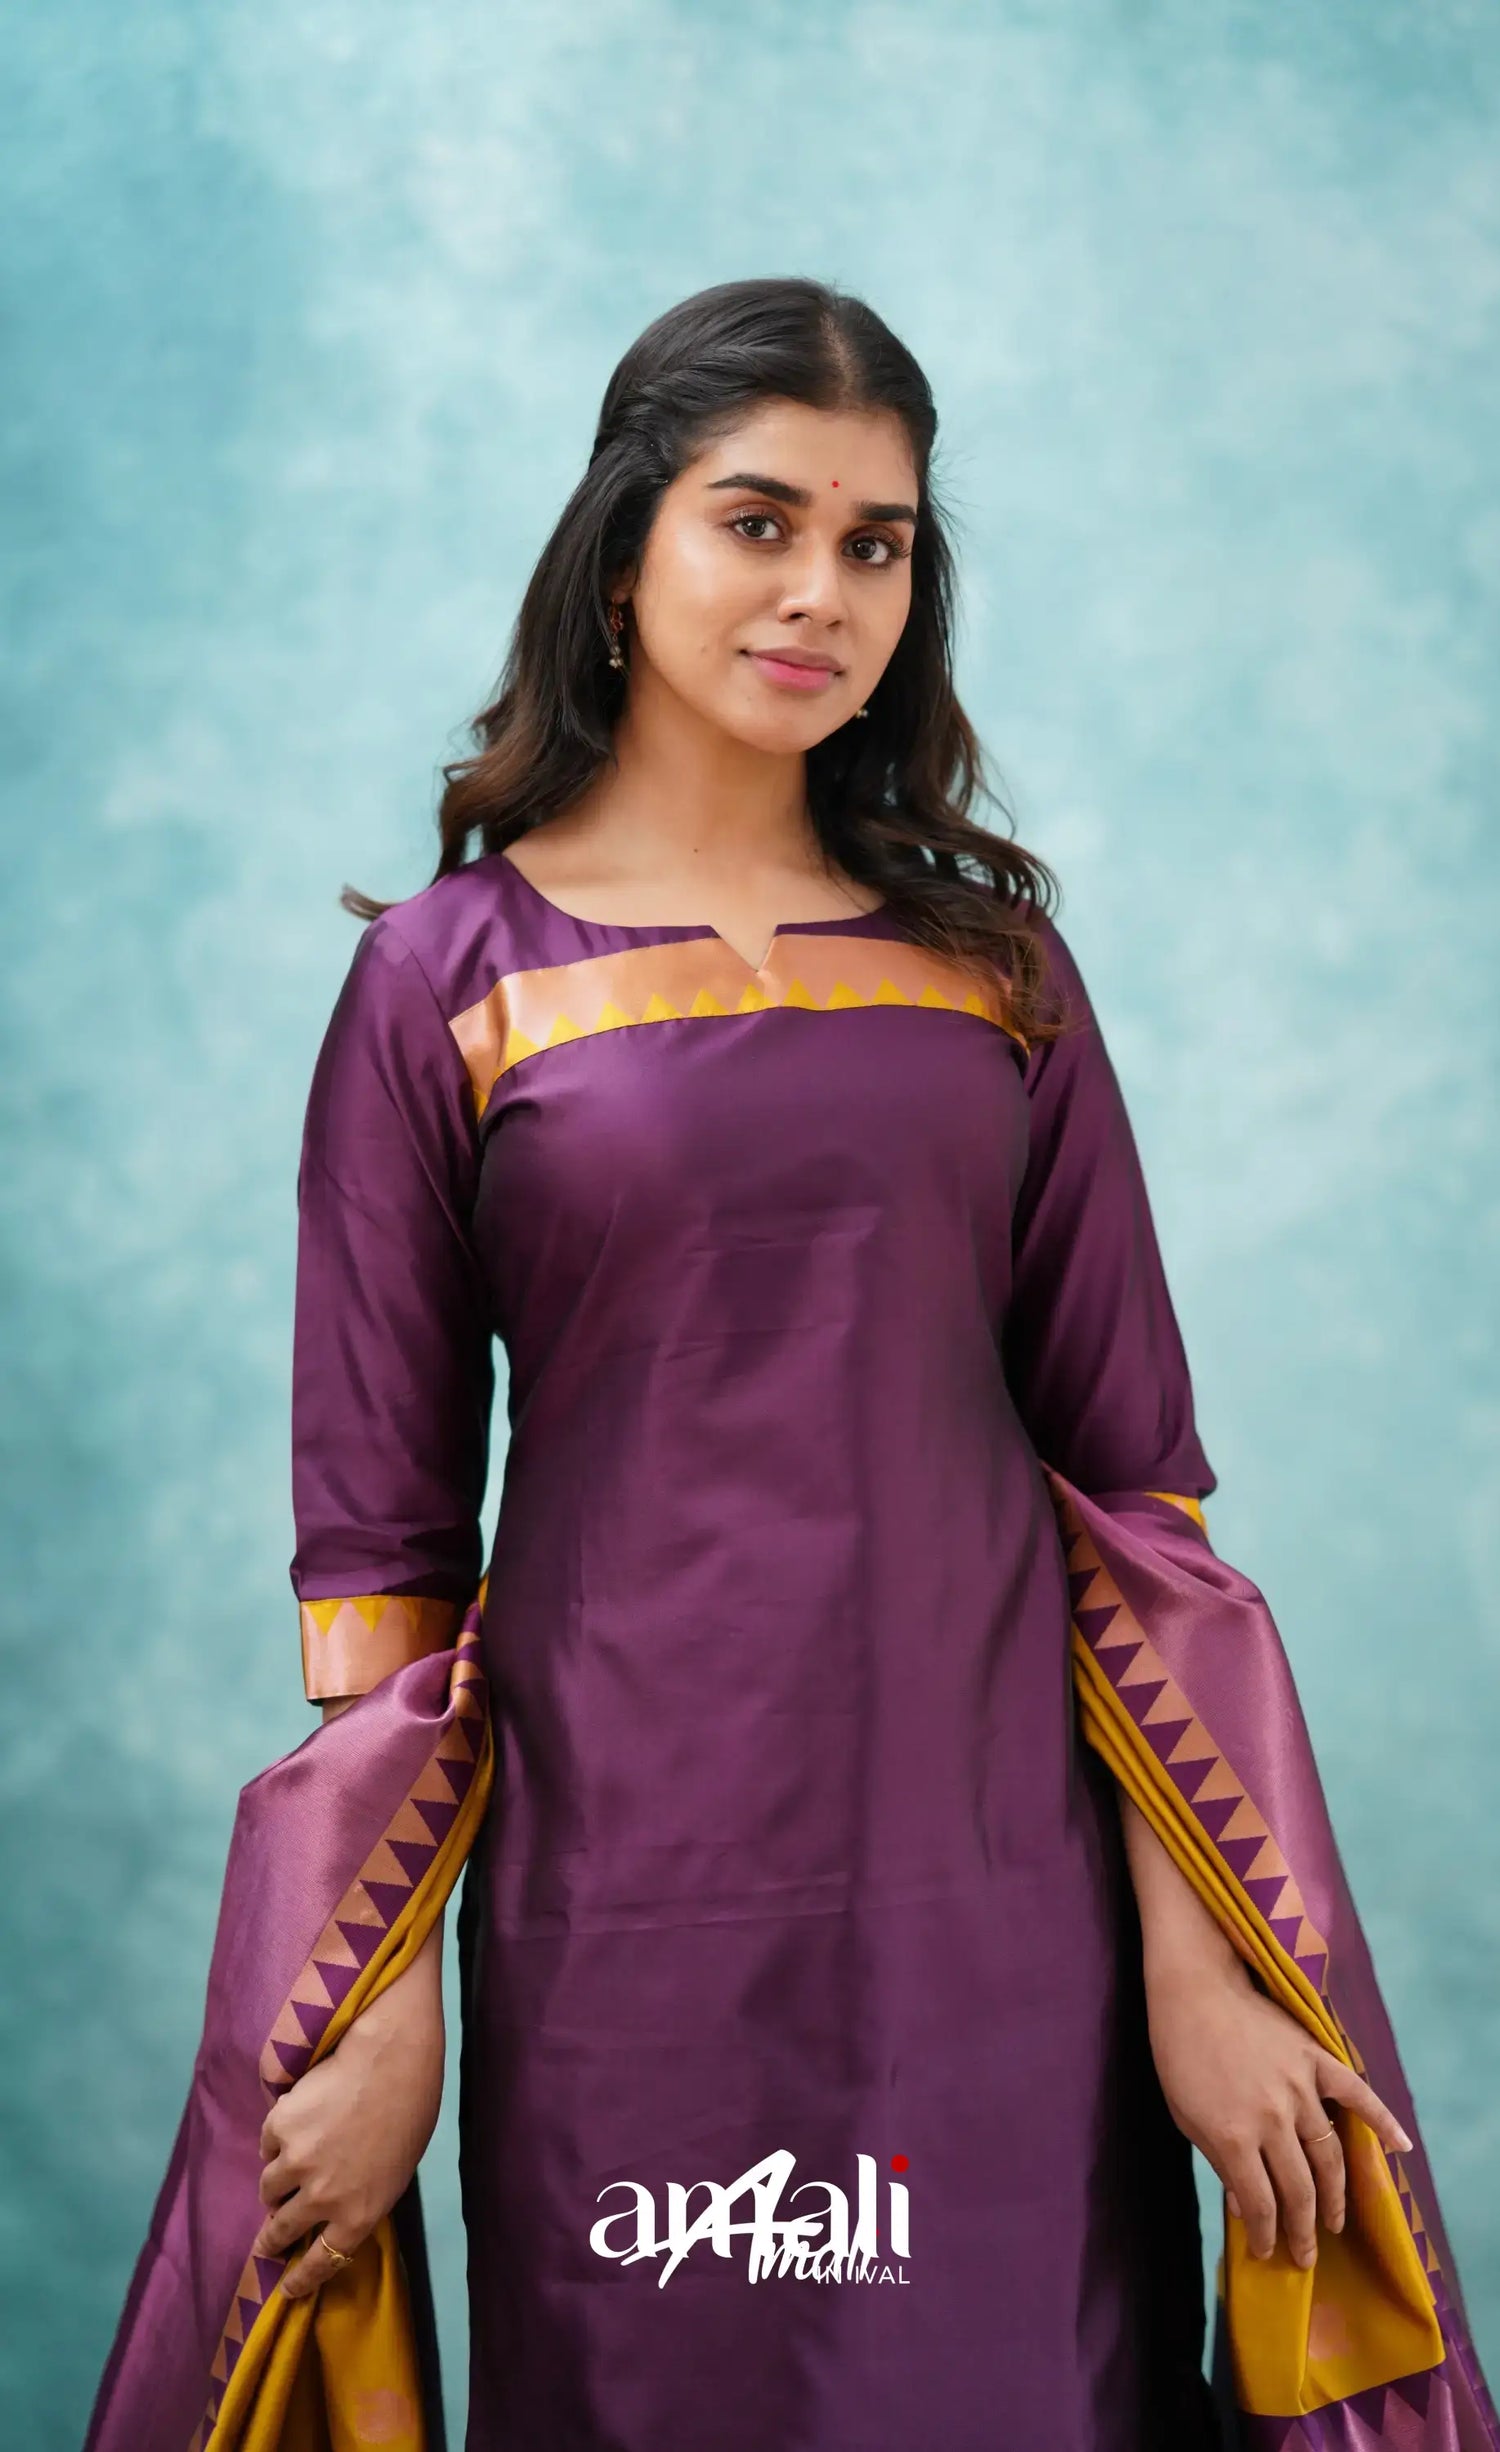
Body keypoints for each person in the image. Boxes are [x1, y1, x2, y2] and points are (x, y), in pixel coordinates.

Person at [85, 277, 1500, 2452]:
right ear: (623, 548)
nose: (821, 592)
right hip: (620, 1911)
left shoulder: (993, 972)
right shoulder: (449, 981)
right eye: (758, 522)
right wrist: (380, 2015)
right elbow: (383, 1564)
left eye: (877, 542)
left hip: (1007, 1910)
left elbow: (1141, 1522)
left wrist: (1202, 1973)